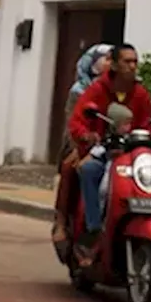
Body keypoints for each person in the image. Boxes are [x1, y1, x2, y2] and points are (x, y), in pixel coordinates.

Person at [66, 43, 151, 265]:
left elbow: (149, 122)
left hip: (133, 155)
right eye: (127, 61)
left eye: (135, 62)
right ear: (114, 65)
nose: (133, 66)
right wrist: (88, 136)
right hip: (102, 153)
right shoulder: (96, 90)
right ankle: (93, 227)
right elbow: (77, 121)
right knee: (89, 171)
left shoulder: (141, 94)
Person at [52, 43, 112, 259]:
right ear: (93, 63)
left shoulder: (119, 90)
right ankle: (61, 222)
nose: (109, 63)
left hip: (111, 145)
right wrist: (84, 143)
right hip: (81, 143)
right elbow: (73, 123)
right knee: (70, 168)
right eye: (105, 58)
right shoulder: (79, 91)